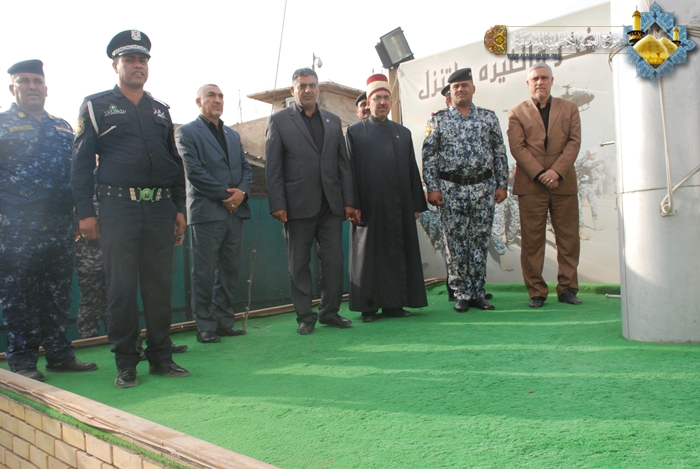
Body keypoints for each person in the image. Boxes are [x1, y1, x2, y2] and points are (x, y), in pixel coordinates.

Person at [71, 30, 189, 388]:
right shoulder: (95, 106)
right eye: (130, 60)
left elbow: (174, 163)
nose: (138, 65)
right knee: (121, 289)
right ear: (116, 65)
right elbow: (80, 165)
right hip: (118, 208)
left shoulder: (160, 109)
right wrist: (85, 213)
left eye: (142, 60)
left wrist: (179, 207)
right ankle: (126, 362)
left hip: (159, 208)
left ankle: (161, 357)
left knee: (159, 288)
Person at [0, 60, 97, 381]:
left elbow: (78, 173)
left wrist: (80, 214)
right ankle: (23, 360)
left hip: (60, 224)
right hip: (18, 226)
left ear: (46, 88)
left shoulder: (63, 127)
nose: (32, 86)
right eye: (24, 81)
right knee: (20, 295)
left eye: (37, 81)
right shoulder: (2, 124)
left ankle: (59, 354)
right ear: (12, 88)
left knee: (58, 292)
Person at [265, 68, 355, 335]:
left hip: (331, 205)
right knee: (298, 265)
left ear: (318, 89)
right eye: (302, 86)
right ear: (292, 90)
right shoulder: (279, 121)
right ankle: (305, 316)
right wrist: (277, 203)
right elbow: (273, 166)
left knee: (334, 261)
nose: (307, 90)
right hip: (296, 206)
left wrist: (348, 201)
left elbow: (343, 165)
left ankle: (330, 312)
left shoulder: (332, 120)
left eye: (312, 85)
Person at [422, 68, 508, 313]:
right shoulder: (438, 119)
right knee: (455, 243)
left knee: (479, 241)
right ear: (450, 92)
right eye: (455, 87)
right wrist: (432, 188)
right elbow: (429, 156)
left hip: (483, 187)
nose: (460, 89)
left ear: (473, 88)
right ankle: (461, 293)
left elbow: (499, 152)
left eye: (464, 85)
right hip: (451, 188)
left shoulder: (488, 118)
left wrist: (502, 184)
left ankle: (478, 292)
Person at [346, 74, 428, 323]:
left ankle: (394, 304)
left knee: (397, 252)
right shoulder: (354, 132)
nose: (382, 102)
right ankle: (368, 308)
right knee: (368, 256)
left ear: (391, 102)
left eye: (386, 98)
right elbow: (348, 171)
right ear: (369, 102)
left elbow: (411, 170)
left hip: (399, 206)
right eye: (377, 98)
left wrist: (415, 204)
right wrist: (352, 204)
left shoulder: (402, 133)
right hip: (368, 206)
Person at [176, 84, 252, 343]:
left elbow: (246, 169)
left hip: (235, 213)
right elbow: (194, 172)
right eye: (211, 95)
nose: (218, 99)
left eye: (220, 96)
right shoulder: (186, 132)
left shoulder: (232, 135)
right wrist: (226, 197)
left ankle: (224, 321)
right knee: (204, 272)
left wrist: (242, 193)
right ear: (199, 102)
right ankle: (205, 326)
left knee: (230, 270)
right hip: (207, 212)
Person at [507, 62, 582, 308]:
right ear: (528, 83)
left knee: (569, 239)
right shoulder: (516, 112)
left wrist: (556, 172)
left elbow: (574, 142)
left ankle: (567, 289)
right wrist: (541, 173)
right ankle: (536, 291)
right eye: (535, 78)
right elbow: (517, 147)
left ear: (552, 81)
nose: (540, 82)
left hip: (563, 183)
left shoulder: (570, 108)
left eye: (544, 77)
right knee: (532, 241)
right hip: (531, 186)